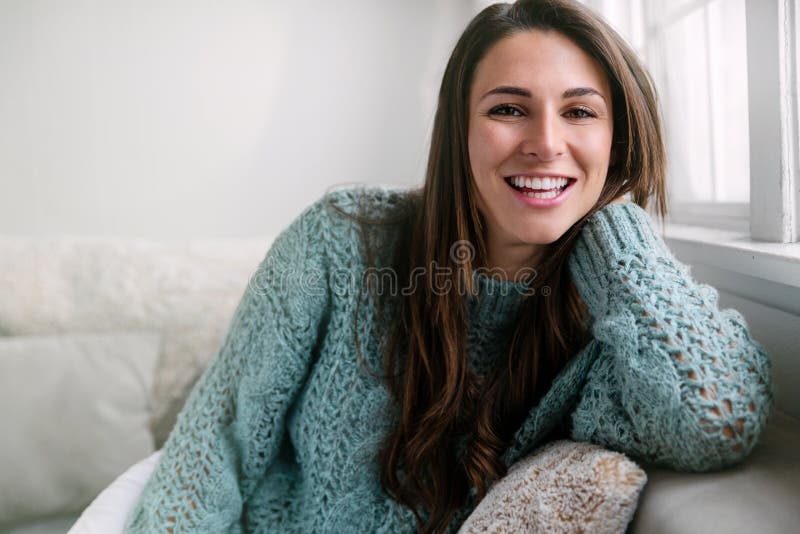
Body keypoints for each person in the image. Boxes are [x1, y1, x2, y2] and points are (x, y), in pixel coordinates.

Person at [124, 0, 773, 532]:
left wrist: (615, 225)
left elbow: (717, 421)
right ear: (459, 132)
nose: (546, 142)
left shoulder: (606, 325)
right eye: (508, 109)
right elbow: (218, 446)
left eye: (579, 112)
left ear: (619, 139)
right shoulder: (339, 241)